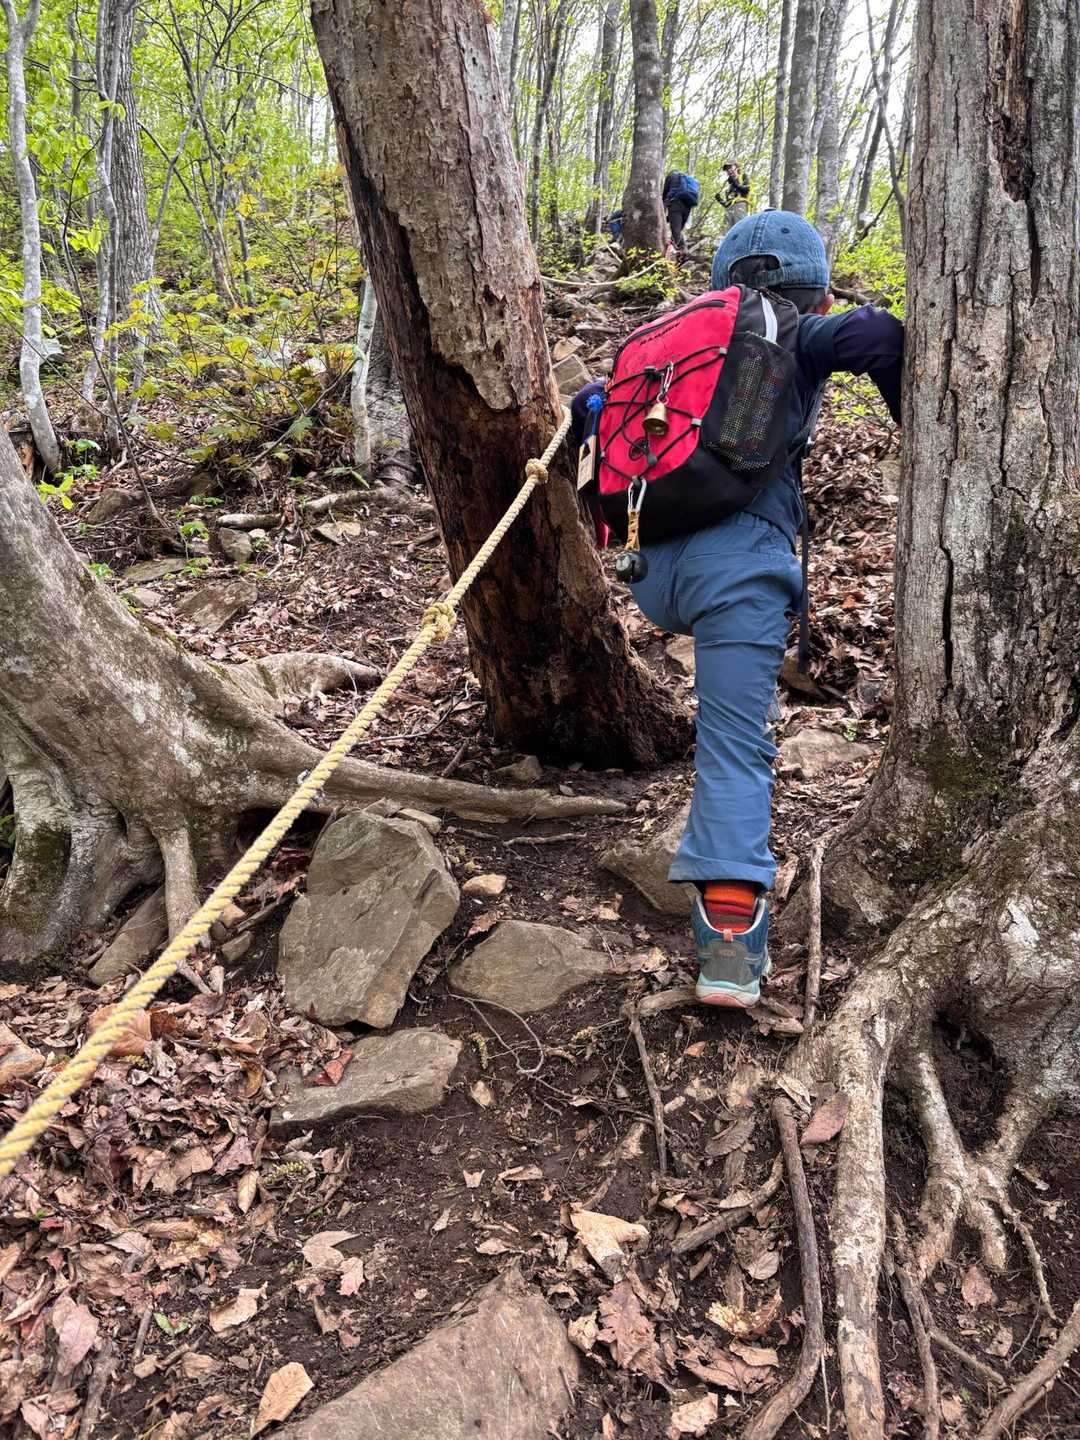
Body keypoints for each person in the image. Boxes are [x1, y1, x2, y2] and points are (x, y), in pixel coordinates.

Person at [570, 211, 904, 1008]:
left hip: (649, 570)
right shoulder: (800, 333)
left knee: (729, 734)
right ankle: (728, 948)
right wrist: (920, 434)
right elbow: (880, 337)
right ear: (818, 296)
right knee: (733, 748)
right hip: (738, 570)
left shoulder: (672, 346)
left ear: (722, 288)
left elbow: (588, 409)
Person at [662, 170, 700, 252]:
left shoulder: (671, 176)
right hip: (688, 206)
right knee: (678, 231)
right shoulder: (686, 179)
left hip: (675, 204)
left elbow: (665, 194)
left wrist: (663, 211)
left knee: (676, 231)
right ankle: (678, 250)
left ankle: (682, 251)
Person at [716, 162, 751, 230]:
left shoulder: (743, 176)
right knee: (726, 231)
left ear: (736, 167)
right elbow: (727, 204)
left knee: (739, 228)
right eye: (727, 169)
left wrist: (735, 182)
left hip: (740, 205)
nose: (729, 170)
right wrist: (720, 200)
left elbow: (746, 190)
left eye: (730, 167)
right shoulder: (729, 186)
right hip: (729, 209)